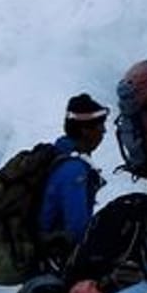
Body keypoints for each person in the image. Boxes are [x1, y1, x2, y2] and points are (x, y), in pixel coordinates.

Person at [37, 93, 109, 270]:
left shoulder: (58, 154)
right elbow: (77, 228)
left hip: (46, 254)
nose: (104, 131)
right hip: (55, 260)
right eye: (100, 126)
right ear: (85, 130)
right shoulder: (73, 170)